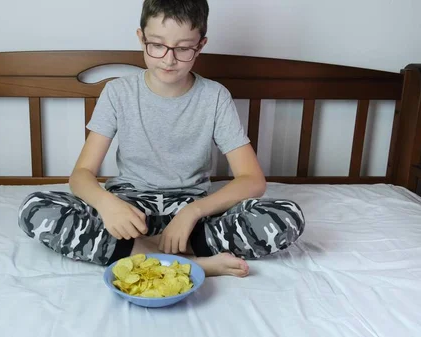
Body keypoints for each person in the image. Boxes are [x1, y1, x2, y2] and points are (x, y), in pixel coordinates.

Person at [18, 0, 305, 277]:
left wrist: (192, 213)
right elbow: (81, 175)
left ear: (201, 45)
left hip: (191, 213)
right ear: (141, 39)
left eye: (183, 49)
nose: (169, 59)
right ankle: (190, 262)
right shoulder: (119, 93)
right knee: (35, 207)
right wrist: (107, 205)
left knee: (287, 215)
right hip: (129, 210)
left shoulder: (214, 96)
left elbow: (252, 180)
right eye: (157, 45)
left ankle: (142, 255)